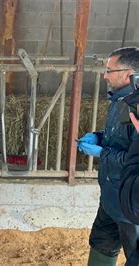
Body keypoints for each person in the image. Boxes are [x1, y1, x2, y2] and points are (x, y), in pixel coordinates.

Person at [77, 47, 139, 265]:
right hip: (111, 195)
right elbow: (122, 140)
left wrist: (102, 152)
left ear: (128, 74)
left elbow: (134, 158)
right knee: (101, 243)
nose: (104, 75)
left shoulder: (136, 108)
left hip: (131, 203)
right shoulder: (119, 101)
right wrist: (98, 137)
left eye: (109, 70)